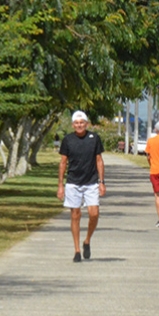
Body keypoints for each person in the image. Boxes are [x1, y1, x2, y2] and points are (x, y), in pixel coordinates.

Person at [58, 110, 105, 262]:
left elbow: (99, 160)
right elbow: (63, 162)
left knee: (94, 214)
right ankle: (77, 250)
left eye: (82, 123)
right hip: (73, 182)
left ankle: (87, 240)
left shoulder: (94, 138)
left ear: (86, 124)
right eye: (76, 123)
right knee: (75, 215)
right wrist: (60, 185)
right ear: (73, 125)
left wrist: (102, 182)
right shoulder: (68, 140)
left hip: (91, 182)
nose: (79, 125)